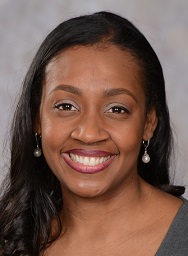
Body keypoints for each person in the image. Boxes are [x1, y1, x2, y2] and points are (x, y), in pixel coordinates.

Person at [0, 11, 187, 256]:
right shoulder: (11, 239)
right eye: (66, 106)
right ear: (37, 119)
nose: (89, 133)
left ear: (148, 123)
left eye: (116, 109)